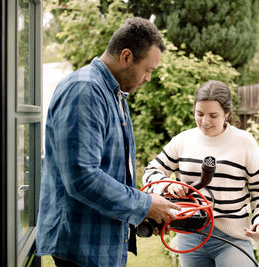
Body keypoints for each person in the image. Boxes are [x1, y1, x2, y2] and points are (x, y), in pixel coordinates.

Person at [36, 17, 181, 267]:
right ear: (126, 56)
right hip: (81, 246)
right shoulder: (85, 91)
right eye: (147, 69)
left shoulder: (113, 93)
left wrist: (146, 213)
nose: (148, 78)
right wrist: (145, 204)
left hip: (101, 243)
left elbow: (110, 174)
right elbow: (82, 178)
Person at [142, 80, 259, 267]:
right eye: (199, 113)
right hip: (190, 236)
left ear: (227, 113)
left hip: (232, 237)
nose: (205, 121)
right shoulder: (183, 140)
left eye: (213, 115)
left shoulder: (245, 142)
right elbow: (151, 171)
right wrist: (168, 184)